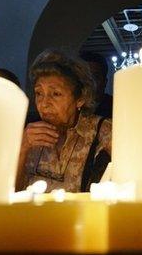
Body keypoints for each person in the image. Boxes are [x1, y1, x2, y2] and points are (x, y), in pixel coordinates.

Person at [15, 49, 112, 192]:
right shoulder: (28, 134)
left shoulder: (103, 131)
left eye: (55, 94)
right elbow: (8, 193)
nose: (44, 103)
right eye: (39, 93)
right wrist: (23, 148)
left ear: (80, 99)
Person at [80, 51, 113, 118]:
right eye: (85, 76)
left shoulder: (115, 106)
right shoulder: (70, 105)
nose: (89, 81)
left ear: (104, 82)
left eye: (95, 76)